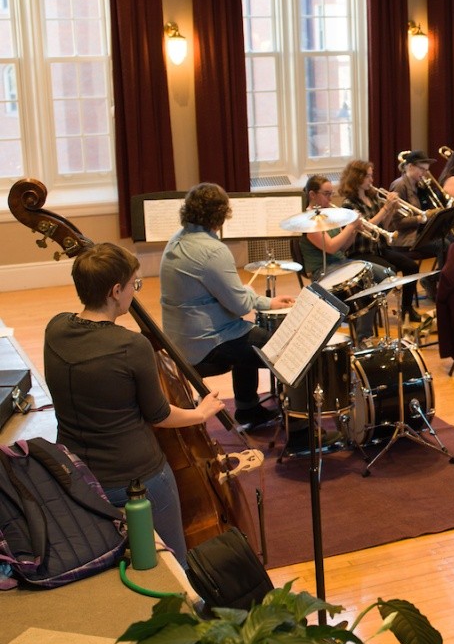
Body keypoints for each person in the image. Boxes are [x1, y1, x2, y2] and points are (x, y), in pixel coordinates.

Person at [44, 243, 226, 564]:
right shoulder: (131, 346)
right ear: (115, 290)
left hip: (76, 476)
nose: (134, 291)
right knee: (171, 561)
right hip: (135, 481)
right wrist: (200, 413)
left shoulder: (55, 329)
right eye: (133, 284)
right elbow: (159, 415)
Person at [160, 183, 294, 426]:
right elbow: (241, 305)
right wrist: (252, 293)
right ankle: (299, 429)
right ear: (221, 215)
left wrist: (267, 302)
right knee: (288, 351)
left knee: (246, 331)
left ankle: (248, 409)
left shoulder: (175, 241)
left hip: (178, 340)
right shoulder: (213, 250)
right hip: (204, 345)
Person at [300, 174, 392, 341]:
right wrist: (350, 226)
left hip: (341, 263)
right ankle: (363, 335)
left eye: (331, 193)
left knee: (386, 276)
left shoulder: (328, 215)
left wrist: (355, 229)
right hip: (323, 270)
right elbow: (331, 247)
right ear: (312, 195)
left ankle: (358, 319)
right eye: (326, 194)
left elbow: (343, 247)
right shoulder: (307, 221)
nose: (330, 198)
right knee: (366, 286)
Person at [339, 160, 422, 322]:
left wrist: (391, 209)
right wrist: (385, 208)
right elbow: (367, 226)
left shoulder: (373, 197)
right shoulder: (349, 204)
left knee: (411, 266)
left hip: (378, 248)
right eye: (368, 176)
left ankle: (407, 309)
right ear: (357, 178)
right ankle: (371, 307)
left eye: (371, 176)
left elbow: (384, 226)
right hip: (360, 252)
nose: (372, 180)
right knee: (388, 272)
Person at [389, 150, 445, 300]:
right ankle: (437, 283)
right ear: (410, 167)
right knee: (443, 246)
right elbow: (396, 223)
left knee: (451, 241)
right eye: (422, 169)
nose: (425, 174)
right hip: (405, 238)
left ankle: (437, 280)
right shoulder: (399, 186)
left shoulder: (418, 185)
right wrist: (421, 218)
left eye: (426, 170)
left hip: (419, 233)